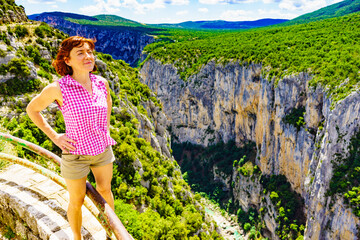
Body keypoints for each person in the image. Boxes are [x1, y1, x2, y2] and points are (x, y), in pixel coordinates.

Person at [26, 36, 117, 240]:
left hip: (102, 149)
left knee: (105, 190)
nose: (88, 56)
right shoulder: (58, 88)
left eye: (90, 52)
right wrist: (55, 137)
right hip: (75, 153)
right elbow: (32, 109)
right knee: (77, 200)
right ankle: (76, 237)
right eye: (81, 53)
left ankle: (110, 234)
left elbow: (108, 103)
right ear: (67, 60)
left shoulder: (102, 83)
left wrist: (106, 128)